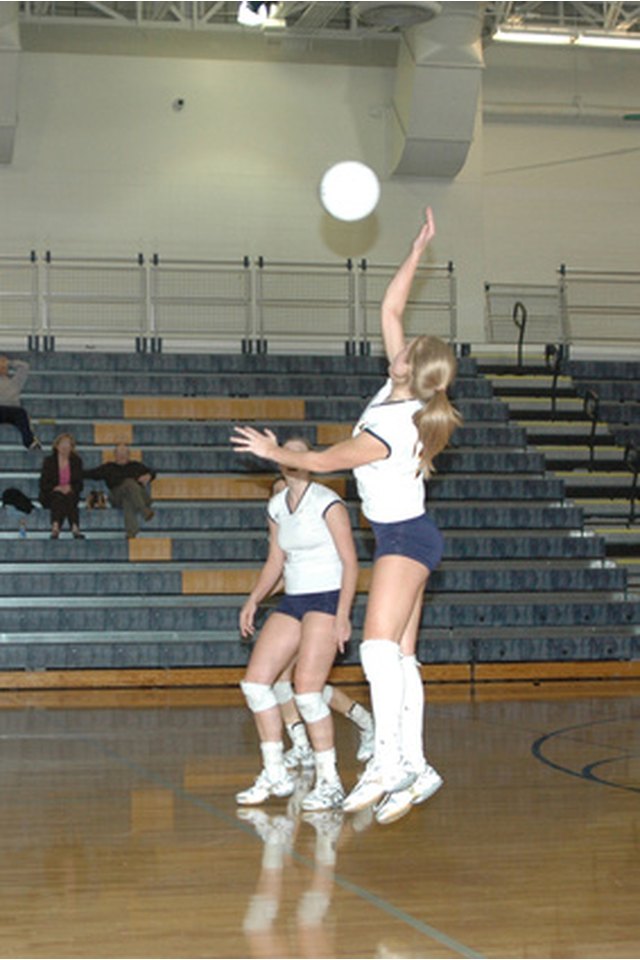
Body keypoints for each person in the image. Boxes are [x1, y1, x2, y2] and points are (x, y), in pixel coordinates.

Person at [232, 207, 461, 825]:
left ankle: (387, 761)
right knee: (402, 659)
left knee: (377, 651)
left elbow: (331, 458)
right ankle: (415, 763)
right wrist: (417, 252)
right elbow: (389, 311)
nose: (398, 346)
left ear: (413, 371)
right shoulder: (398, 393)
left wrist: (271, 451)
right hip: (410, 534)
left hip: (404, 539)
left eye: (406, 351)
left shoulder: (394, 423)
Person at [236, 438, 359, 812]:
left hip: (325, 598)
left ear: (307, 461)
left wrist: (342, 614)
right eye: (284, 452)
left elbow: (351, 562)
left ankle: (330, 782)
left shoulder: (327, 503)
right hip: (294, 599)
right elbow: (276, 562)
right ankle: (275, 774)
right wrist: (253, 599)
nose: (291, 459)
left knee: (307, 692)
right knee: (256, 684)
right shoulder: (276, 506)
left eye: (298, 452)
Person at [267, 476, 374, 769]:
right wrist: (259, 594)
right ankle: (312, 739)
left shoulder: (319, 520)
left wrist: (341, 613)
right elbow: (282, 571)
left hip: (323, 603)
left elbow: (343, 563)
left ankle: (354, 728)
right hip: (295, 605)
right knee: (288, 681)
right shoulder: (280, 524)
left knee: (302, 684)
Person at [83, 442, 156, 539]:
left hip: (139, 495)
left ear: (128, 455)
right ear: (115, 455)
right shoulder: (109, 467)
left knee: (128, 497)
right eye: (119, 453)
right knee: (129, 483)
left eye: (124, 453)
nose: (122, 456)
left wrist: (149, 475)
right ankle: (144, 511)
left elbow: (152, 471)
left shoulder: (136, 465)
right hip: (116, 496)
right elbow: (91, 473)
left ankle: (131, 533)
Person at [39, 433, 85, 539]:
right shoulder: (49, 461)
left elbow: (79, 484)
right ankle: (56, 526)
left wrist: (70, 487)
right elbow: (43, 484)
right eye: (62, 443)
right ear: (57, 446)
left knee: (70, 496)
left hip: (70, 494)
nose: (65, 447)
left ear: (71, 447)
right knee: (58, 496)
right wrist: (56, 488)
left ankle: (74, 527)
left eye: (68, 444)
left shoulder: (76, 461)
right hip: (50, 494)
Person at [0, 355, 41, 450]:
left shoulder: (15, 381)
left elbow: (25, 366)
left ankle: (30, 443)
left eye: (3, 366)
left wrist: (9, 362)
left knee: (22, 413)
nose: (1, 368)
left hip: (13, 411)